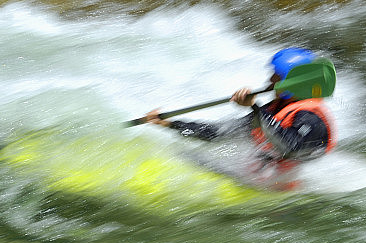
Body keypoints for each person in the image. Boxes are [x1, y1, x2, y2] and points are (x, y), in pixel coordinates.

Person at [143, 48, 336, 189]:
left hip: (284, 194)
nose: (269, 81)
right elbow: (217, 133)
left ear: (292, 82)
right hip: (262, 178)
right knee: (186, 157)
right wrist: (168, 124)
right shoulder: (274, 110)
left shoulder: (311, 119)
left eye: (275, 77)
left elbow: (290, 147)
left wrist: (255, 107)